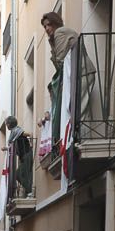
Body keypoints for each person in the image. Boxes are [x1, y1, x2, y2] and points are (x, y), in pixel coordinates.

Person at [42, 12, 79, 148]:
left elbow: (61, 62)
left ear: (55, 23)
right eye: (45, 27)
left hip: (77, 76)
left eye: (49, 25)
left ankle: (66, 137)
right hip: (74, 77)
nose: (46, 29)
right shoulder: (56, 37)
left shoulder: (60, 33)